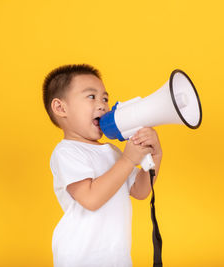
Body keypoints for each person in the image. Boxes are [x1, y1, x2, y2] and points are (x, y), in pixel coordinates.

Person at [42, 64, 162, 267]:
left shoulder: (113, 152)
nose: (102, 105)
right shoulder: (67, 152)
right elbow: (91, 198)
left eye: (105, 98)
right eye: (91, 97)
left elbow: (140, 190)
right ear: (61, 108)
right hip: (80, 257)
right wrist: (128, 160)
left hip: (116, 257)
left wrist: (155, 154)